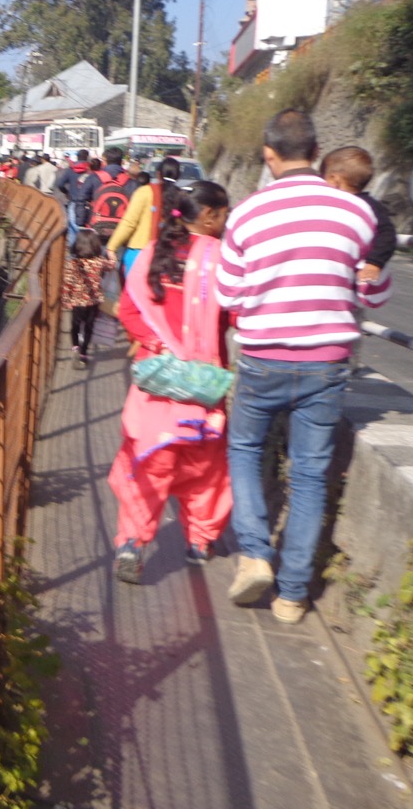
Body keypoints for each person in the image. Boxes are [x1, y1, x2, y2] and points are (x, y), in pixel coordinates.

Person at [215, 109, 392, 624]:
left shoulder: (246, 213)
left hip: (262, 358)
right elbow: (373, 292)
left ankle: (254, 553)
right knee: (311, 475)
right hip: (327, 363)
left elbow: (228, 295)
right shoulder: (356, 212)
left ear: (268, 155)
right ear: (316, 153)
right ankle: (292, 596)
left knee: (245, 449)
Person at [108, 181, 233, 584]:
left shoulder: (152, 254)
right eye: (225, 214)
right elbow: (235, 315)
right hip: (203, 387)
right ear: (209, 216)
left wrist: (157, 342)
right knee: (206, 468)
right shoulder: (222, 260)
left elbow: (129, 312)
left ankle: (132, 543)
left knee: (149, 464)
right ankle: (200, 541)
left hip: (156, 382)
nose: (227, 221)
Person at [319, 146, 396, 283]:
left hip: (349, 276)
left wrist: (374, 262)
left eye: (322, 177)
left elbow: (387, 234)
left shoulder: (367, 207)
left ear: (333, 179)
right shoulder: (372, 206)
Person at [105, 157, 181, 277]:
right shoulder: (181, 197)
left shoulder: (145, 192)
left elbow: (129, 223)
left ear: (158, 174)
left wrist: (112, 247)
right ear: (178, 176)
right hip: (167, 256)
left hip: (139, 252)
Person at [61, 228, 113, 368]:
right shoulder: (99, 262)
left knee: (75, 325)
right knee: (89, 326)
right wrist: (111, 254)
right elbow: (111, 266)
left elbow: (67, 283)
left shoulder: (72, 263)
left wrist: (66, 300)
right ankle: (84, 353)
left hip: (77, 301)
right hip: (93, 300)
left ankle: (75, 348)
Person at [54, 148, 100, 231]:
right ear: (87, 157)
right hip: (89, 203)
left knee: (73, 228)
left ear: (77, 157)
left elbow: (60, 184)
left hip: (74, 201)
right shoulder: (91, 169)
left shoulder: (70, 170)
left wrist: (67, 192)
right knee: (88, 229)